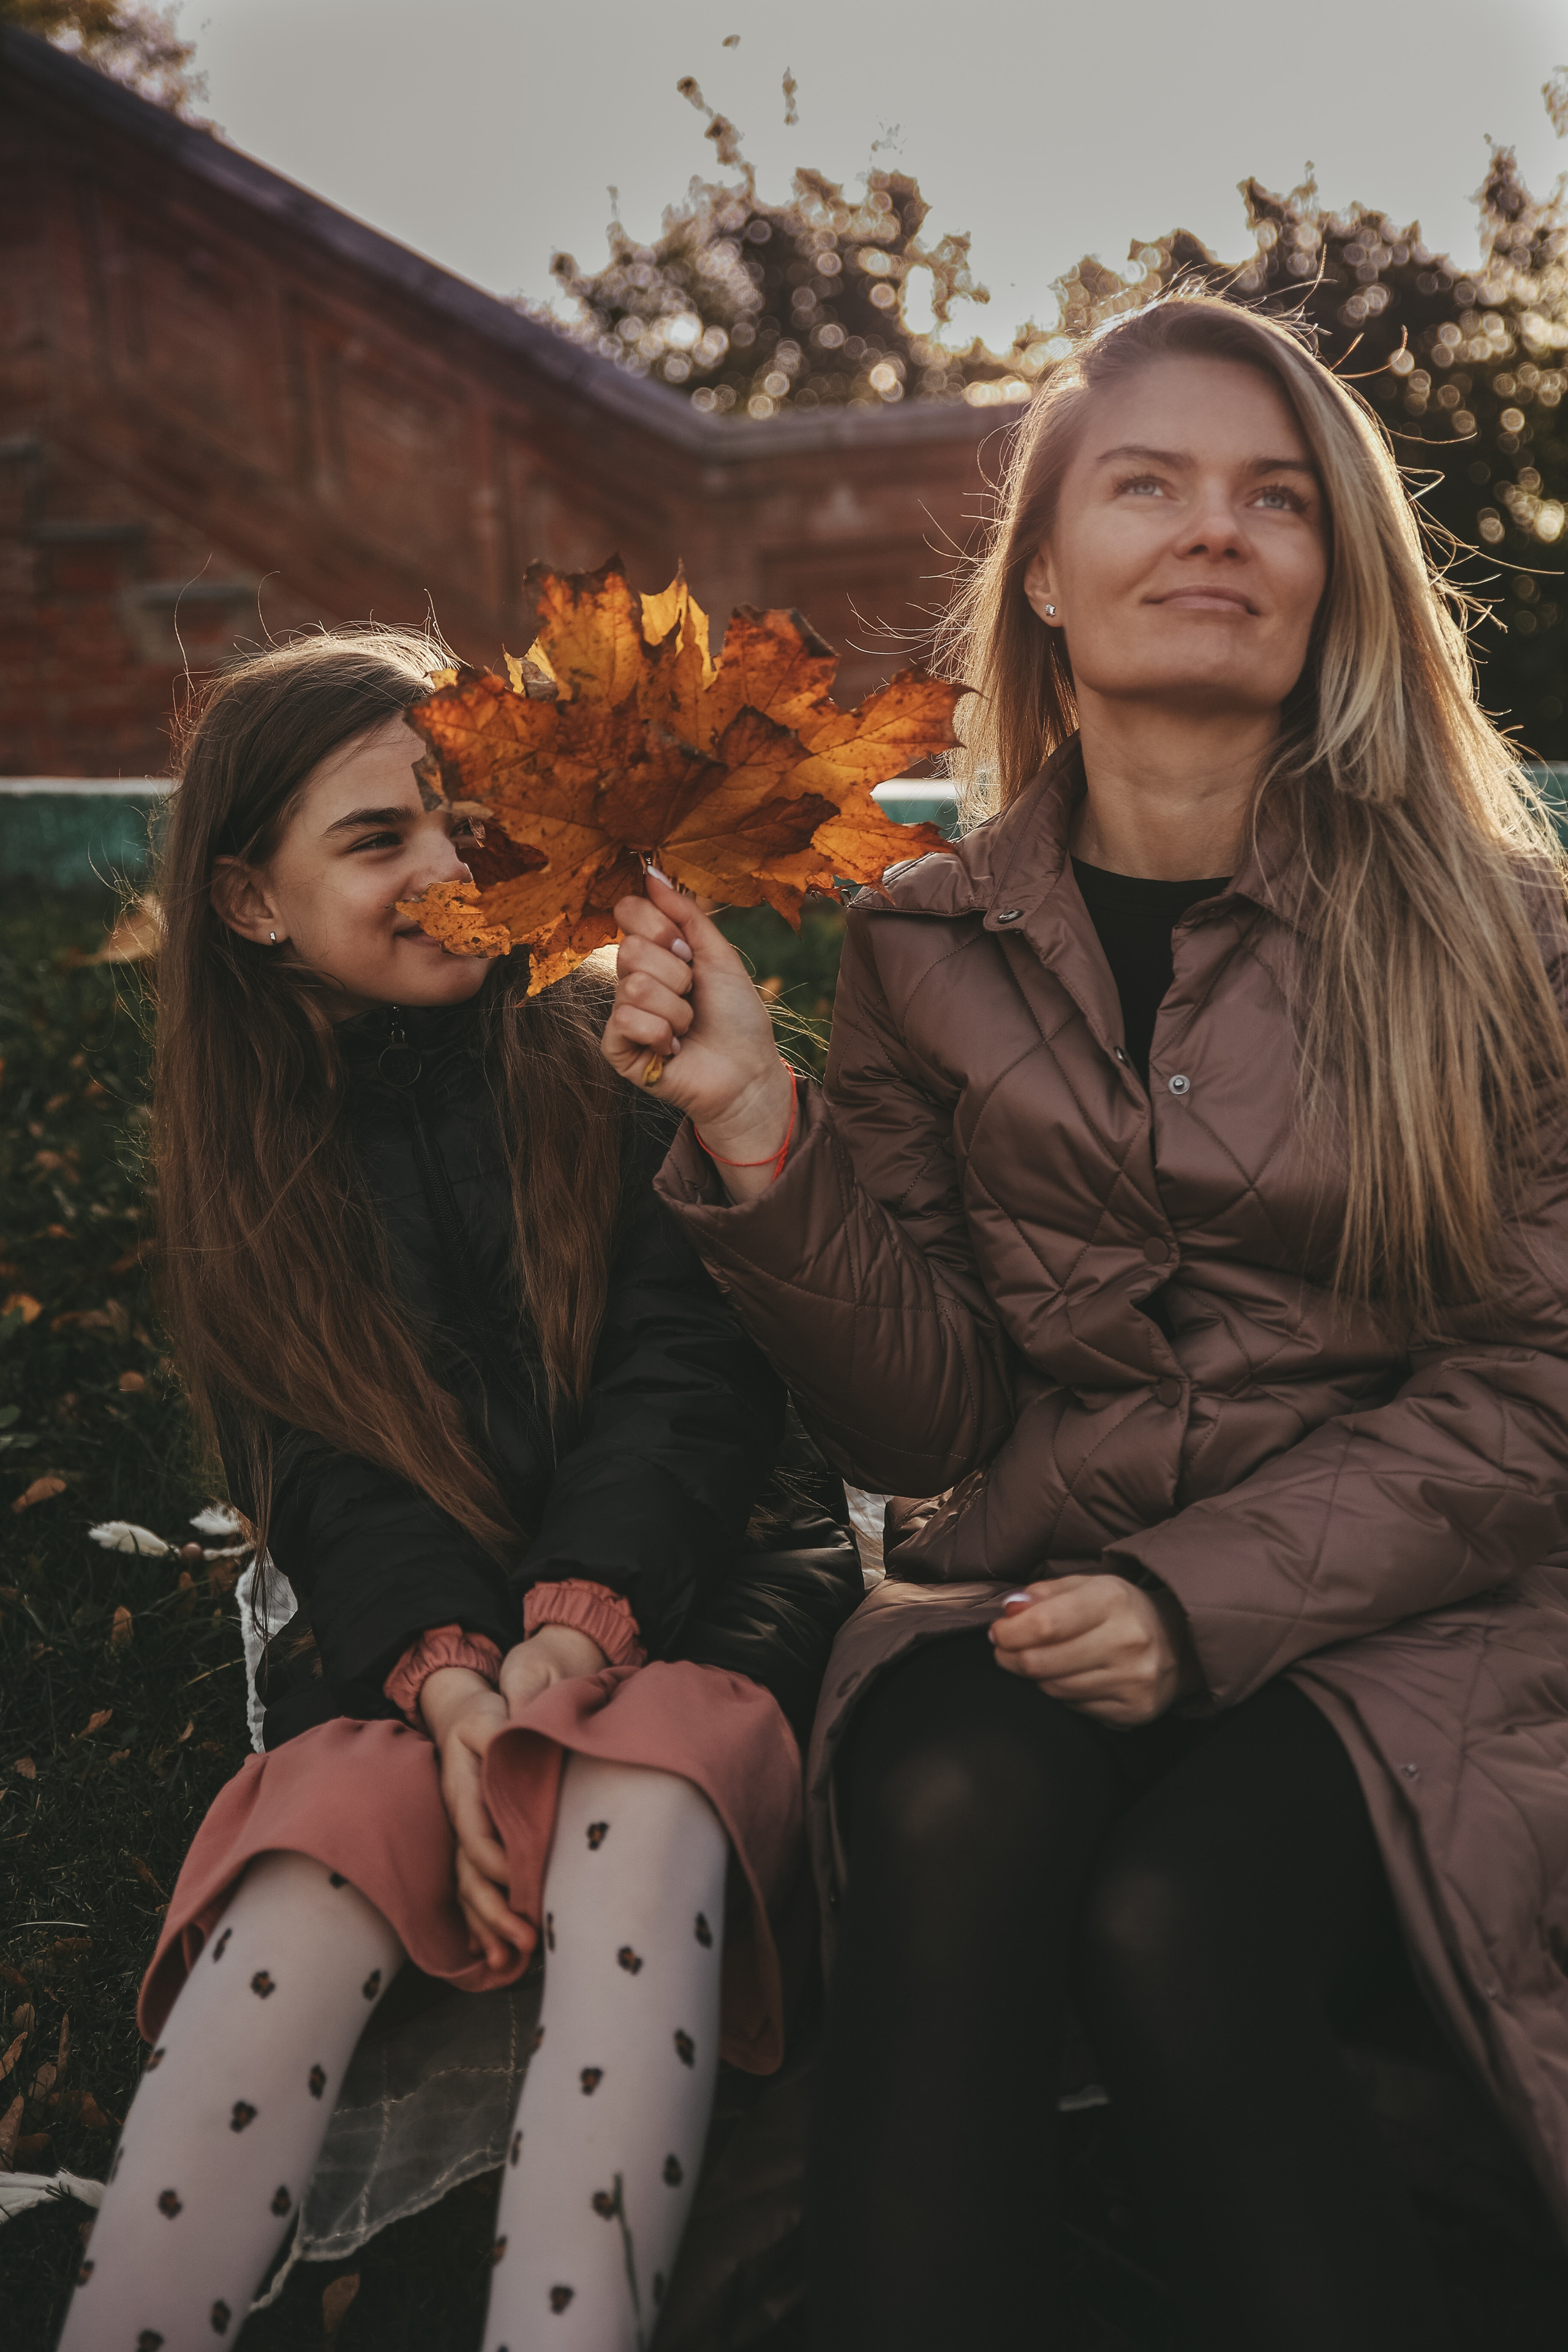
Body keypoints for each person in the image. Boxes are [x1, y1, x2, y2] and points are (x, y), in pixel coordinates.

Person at [600, 293, 1568, 2351]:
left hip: (1445, 1610)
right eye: (1149, 485)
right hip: (1046, 1575)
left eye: (1275, 499)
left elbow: (1538, 1385)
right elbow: (923, 1413)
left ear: (1337, 577)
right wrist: (761, 1142)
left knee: (1183, 1917)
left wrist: (1195, 1603)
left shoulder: (1506, 940)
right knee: (946, 1786)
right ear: (1042, 575)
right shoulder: (918, 946)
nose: (1215, 532)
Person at [58, 631, 859, 2352]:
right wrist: (445, 1675)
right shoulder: (258, 1165)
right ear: (251, 905)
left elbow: (688, 1383)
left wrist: (576, 1634)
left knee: (637, 1801)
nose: (445, 868)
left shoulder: (605, 1058)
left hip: (703, 1610)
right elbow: (326, 1475)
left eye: (464, 820)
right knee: (311, 1853)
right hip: (422, 1652)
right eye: (375, 840)